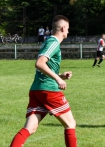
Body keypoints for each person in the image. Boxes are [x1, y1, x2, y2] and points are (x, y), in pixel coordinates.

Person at [10, 15, 77, 147]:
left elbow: (45, 67)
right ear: (63, 28)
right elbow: (40, 63)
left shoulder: (48, 42)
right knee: (70, 124)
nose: (68, 31)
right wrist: (58, 79)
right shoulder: (54, 42)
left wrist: (60, 75)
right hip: (49, 90)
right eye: (68, 29)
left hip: (37, 90)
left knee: (30, 128)